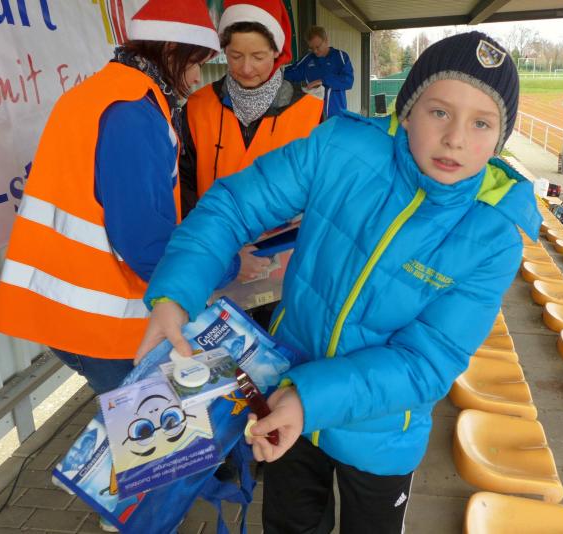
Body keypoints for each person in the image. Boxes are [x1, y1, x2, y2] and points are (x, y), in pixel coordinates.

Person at [136, 32, 539, 533]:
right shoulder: (341, 147)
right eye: (439, 112)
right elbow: (234, 204)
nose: (455, 138)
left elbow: (426, 362)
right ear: (406, 112)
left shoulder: (494, 236)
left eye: (481, 123)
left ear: (500, 139)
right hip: (284, 391)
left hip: (382, 432)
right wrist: (176, 293)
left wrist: (308, 399)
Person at [0, 0, 220, 395]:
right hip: (100, 322)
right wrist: (221, 266)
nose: (198, 77)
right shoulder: (134, 112)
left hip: (67, 311)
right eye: (195, 63)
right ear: (170, 51)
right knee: (156, 427)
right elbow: (144, 241)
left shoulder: (104, 92)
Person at [180, 0, 324, 285]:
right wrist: (216, 250)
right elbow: (184, 188)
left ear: (277, 52)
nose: (246, 68)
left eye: (258, 56)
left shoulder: (310, 113)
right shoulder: (197, 107)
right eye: (235, 56)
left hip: (284, 269)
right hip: (215, 260)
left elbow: (324, 196)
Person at [284, 25, 354, 119]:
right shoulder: (308, 59)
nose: (315, 51)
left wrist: (322, 81)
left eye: (318, 47)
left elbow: (348, 81)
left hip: (336, 116)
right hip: (314, 117)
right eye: (311, 48)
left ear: (326, 40)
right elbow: (289, 74)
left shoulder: (340, 57)